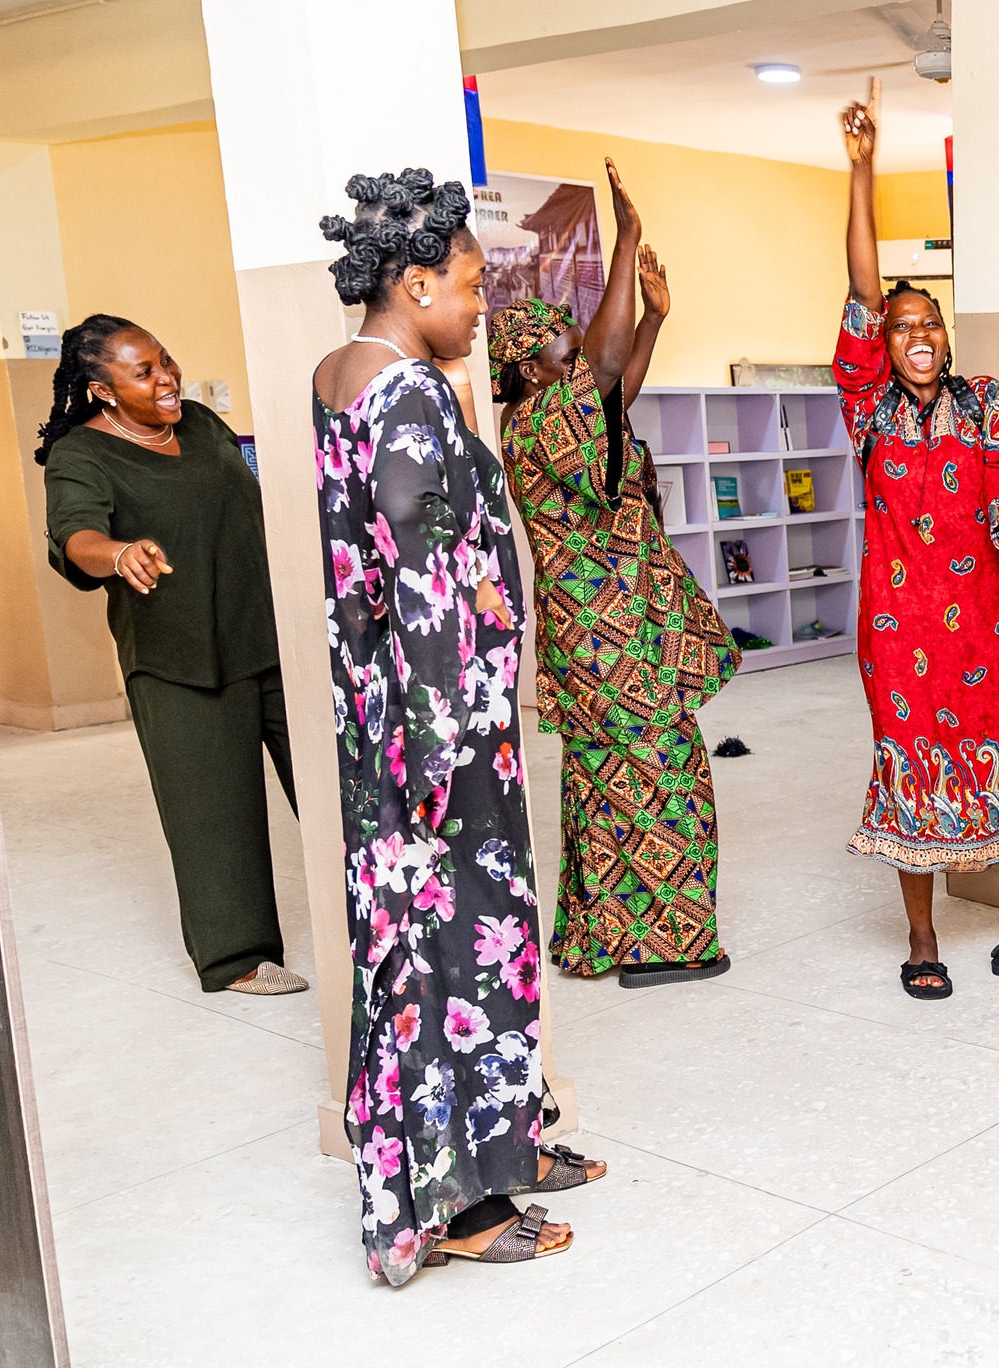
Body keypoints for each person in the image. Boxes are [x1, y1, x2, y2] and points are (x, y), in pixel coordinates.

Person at [312, 168, 604, 1285]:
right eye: (474, 286)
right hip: (437, 734)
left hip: (390, 716)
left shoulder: (341, 374)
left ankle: (503, 1142)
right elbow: (422, 569)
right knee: (451, 950)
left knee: (440, 950)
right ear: (416, 282)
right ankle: (462, 1202)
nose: (484, 307)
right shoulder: (406, 393)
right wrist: (442, 753)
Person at [490, 159, 740, 990]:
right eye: (566, 352)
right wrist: (626, 243)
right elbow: (600, 378)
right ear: (533, 369)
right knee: (663, 778)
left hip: (617, 630)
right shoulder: (536, 421)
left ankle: (600, 939)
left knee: (607, 781)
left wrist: (654, 323)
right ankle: (663, 945)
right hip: (608, 640)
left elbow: (611, 395)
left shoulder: (559, 417)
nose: (583, 362)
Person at [836, 81, 999, 999]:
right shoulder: (866, 406)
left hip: (986, 614)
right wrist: (862, 172)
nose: (918, 334)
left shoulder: (985, 400)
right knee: (908, 759)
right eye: (902, 327)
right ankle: (922, 935)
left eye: (930, 322)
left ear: (946, 333)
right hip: (898, 621)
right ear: (881, 344)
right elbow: (862, 287)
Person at [37, 315, 305, 997]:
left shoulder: (203, 425)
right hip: (179, 656)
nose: (166, 378)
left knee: (336, 785)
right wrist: (120, 552)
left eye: (165, 360)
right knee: (212, 812)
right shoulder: (81, 454)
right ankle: (237, 958)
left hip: (268, 634)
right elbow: (76, 535)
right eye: (144, 371)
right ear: (102, 390)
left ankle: (390, 918)